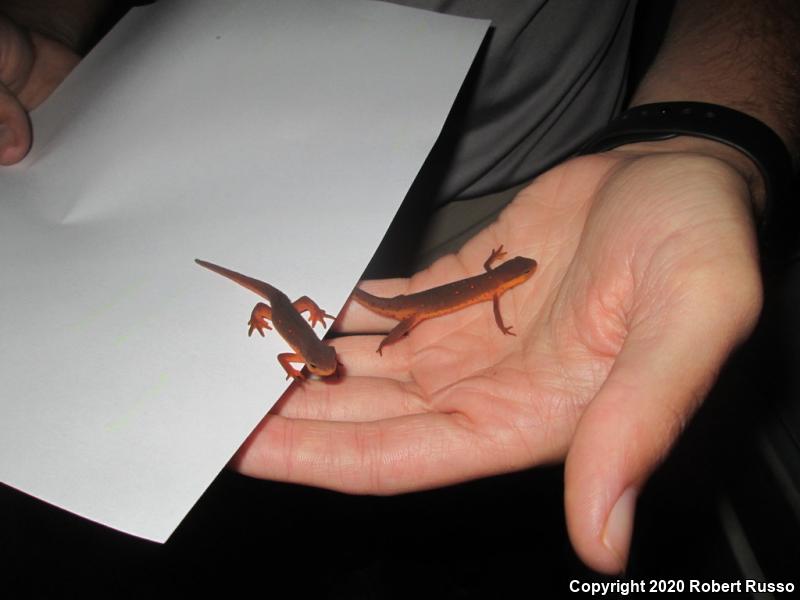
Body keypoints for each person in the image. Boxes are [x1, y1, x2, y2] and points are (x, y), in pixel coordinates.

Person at [1, 0, 797, 575]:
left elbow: (493, 279)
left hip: (541, 169)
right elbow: (465, 291)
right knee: (396, 317)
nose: (509, 280)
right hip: (364, 250)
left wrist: (710, 136)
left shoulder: (494, 276)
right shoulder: (439, 300)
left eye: (513, 276)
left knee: (406, 320)